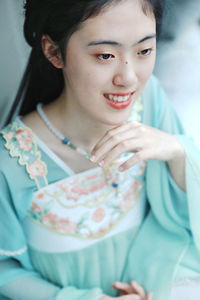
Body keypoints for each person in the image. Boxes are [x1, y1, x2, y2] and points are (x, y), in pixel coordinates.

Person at [0, 0, 199, 299]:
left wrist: (178, 150)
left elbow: (181, 218)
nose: (128, 79)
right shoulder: (12, 162)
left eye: (144, 50)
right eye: (105, 55)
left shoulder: (150, 102)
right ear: (54, 51)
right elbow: (5, 269)